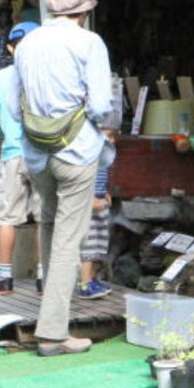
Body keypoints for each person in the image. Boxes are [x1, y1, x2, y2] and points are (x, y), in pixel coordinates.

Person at [4, 0, 112, 357]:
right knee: (69, 240)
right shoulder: (89, 43)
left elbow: (16, 99)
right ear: (84, 8)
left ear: (48, 5)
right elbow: (101, 105)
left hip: (36, 151)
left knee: (49, 227)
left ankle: (52, 316)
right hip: (76, 152)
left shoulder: (28, 42)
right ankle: (53, 333)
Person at [0, 21, 40, 293]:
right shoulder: (46, 74)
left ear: (10, 47)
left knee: (8, 217)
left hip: (13, 153)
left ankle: (3, 277)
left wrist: (5, 124)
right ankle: (44, 276)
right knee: (43, 218)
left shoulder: (1, 77)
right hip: (43, 154)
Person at [77, 128, 119, 299]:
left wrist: (104, 193)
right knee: (90, 244)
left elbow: (102, 179)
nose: (113, 141)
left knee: (100, 244)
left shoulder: (103, 157)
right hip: (89, 204)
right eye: (108, 137)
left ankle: (92, 279)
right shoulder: (87, 155)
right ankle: (85, 282)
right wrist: (90, 199)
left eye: (113, 138)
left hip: (101, 201)